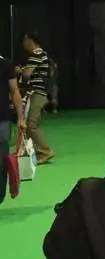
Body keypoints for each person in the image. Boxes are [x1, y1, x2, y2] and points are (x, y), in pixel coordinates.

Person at [18, 30, 54, 164]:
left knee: (31, 124)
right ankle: (27, 151)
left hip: (37, 93)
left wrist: (21, 71)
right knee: (30, 123)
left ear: (29, 40)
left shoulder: (36, 54)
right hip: (39, 93)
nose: (23, 44)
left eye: (24, 40)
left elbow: (27, 74)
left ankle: (45, 151)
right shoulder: (41, 54)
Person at [1, 49, 23, 155]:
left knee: (3, 155)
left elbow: (14, 92)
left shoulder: (6, 64)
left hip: (2, 118)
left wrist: (21, 118)